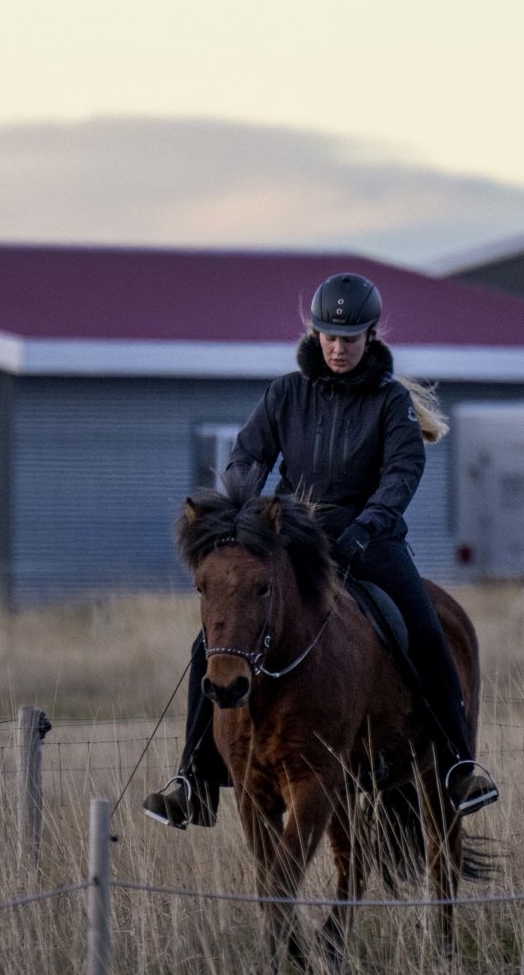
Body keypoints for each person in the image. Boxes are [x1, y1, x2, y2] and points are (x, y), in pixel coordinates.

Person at [143, 272, 500, 829]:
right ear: (315, 334)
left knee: (426, 628)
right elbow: (248, 454)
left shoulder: (391, 402)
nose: (338, 348)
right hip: (293, 539)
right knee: (212, 640)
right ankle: (192, 777)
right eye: (329, 337)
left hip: (370, 540)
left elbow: (403, 473)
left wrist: (368, 526)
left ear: (370, 337)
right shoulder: (285, 392)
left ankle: (458, 764)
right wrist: (243, 507)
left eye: (350, 338)